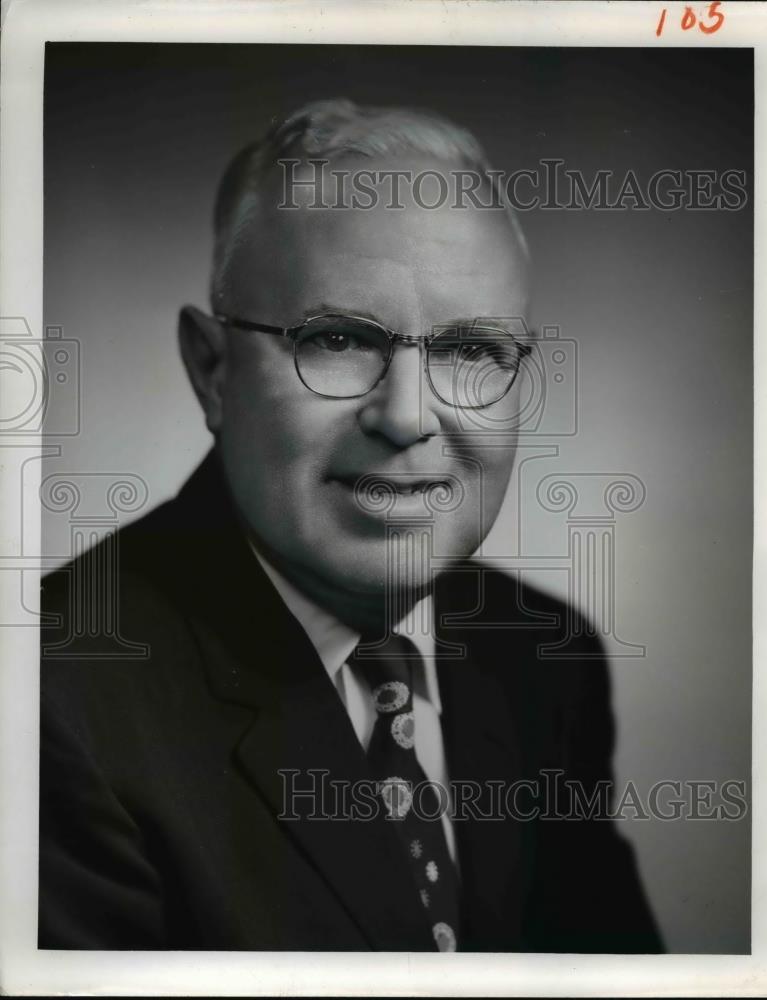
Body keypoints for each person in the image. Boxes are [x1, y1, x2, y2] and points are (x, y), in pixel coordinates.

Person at [39, 99, 663, 952]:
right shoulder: (51, 707)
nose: (408, 417)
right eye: (337, 338)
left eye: (471, 350)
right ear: (212, 371)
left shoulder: (545, 658)